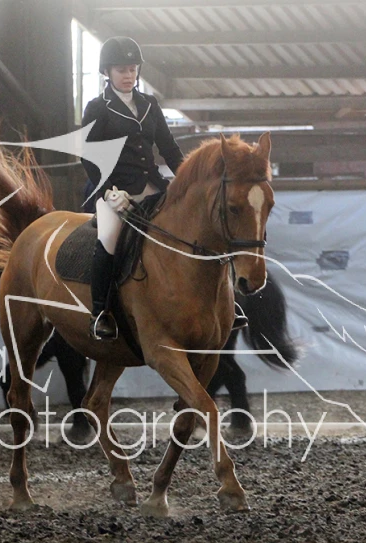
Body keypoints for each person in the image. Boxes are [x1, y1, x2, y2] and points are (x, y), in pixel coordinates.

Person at [82, 36, 247, 341]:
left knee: (201, 228)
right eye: (121, 70)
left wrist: (190, 181)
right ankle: (101, 312)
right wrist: (107, 192)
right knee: (108, 239)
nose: (128, 75)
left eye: (132, 69)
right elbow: (89, 157)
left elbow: (168, 148)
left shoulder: (149, 104)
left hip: (153, 186)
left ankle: (227, 303)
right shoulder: (97, 108)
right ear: (107, 71)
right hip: (115, 191)